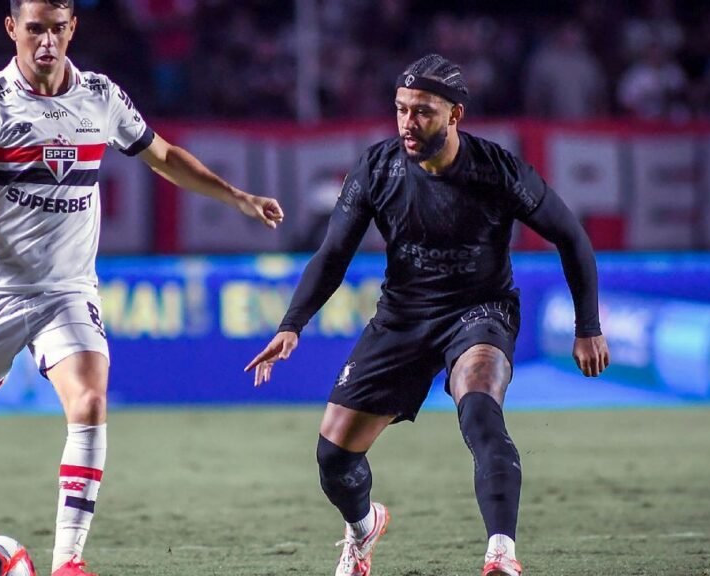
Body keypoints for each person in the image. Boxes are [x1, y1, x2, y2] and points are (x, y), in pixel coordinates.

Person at [0, 2, 284, 576]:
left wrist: (238, 197)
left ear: (72, 28)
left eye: (57, 28)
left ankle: (68, 561)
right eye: (34, 29)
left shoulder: (101, 95)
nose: (46, 41)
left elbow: (166, 157)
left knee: (90, 401)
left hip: (66, 291)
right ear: (12, 30)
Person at [246, 53, 609, 576]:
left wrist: (588, 326)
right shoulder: (377, 168)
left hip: (479, 310)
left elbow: (572, 237)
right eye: (400, 110)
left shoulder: (498, 170)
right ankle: (363, 527)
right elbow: (332, 256)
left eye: (422, 112)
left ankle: (501, 554)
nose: (407, 124)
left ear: (455, 115)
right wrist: (290, 325)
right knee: (333, 458)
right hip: (403, 316)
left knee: (481, 410)